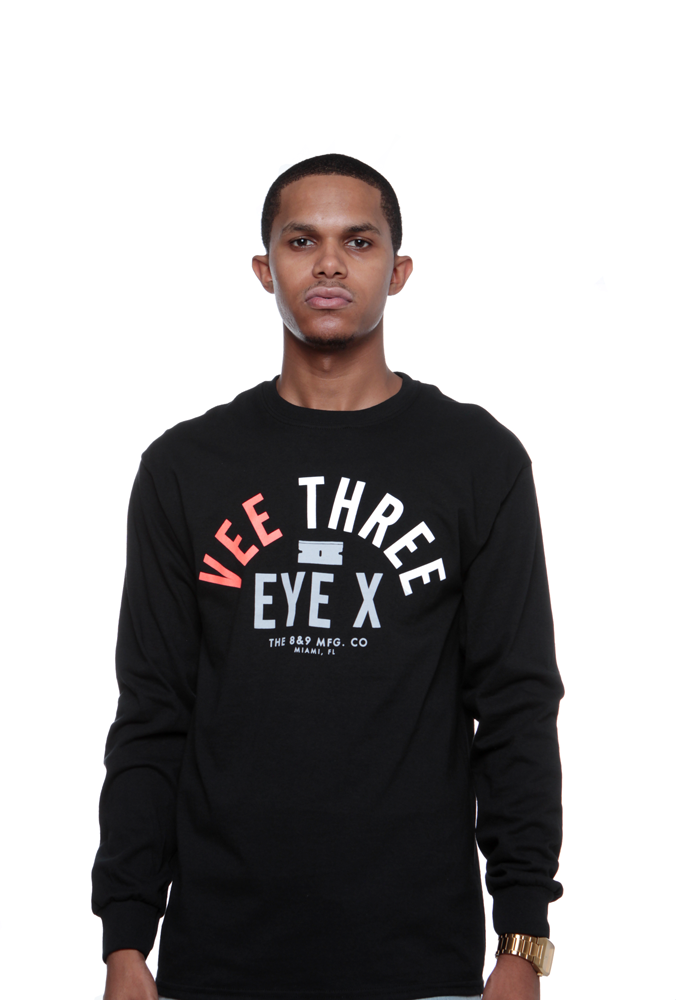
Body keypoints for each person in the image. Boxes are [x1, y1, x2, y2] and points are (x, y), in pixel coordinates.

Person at [92, 153, 564, 1000]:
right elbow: (154, 713)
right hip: (219, 960)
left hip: (420, 957)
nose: (331, 264)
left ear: (399, 270)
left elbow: (515, 705)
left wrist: (522, 938)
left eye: (360, 241)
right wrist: (125, 938)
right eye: (303, 240)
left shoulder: (477, 460)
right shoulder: (186, 467)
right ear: (264, 268)